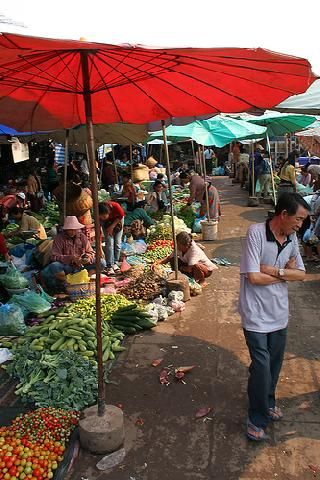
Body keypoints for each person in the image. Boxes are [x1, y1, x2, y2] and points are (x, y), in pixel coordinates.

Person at [239, 193, 309, 441]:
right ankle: (257, 417)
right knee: (261, 367)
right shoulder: (256, 233)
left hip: (279, 313)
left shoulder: (291, 239)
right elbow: (253, 277)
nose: (300, 225)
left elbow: (301, 274)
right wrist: (284, 274)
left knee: (273, 366)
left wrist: (272, 270)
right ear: (284, 214)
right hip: (255, 314)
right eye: (298, 219)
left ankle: (267, 401)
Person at [41, 216, 98, 292]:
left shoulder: (82, 237)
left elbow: (90, 252)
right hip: (67, 267)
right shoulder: (59, 238)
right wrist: (70, 258)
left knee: (101, 262)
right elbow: (54, 256)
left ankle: (86, 281)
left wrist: (87, 258)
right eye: (70, 230)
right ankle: (68, 285)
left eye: (74, 230)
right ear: (66, 229)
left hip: (82, 266)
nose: (73, 232)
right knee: (54, 266)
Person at [98, 201, 124, 275]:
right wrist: (100, 248)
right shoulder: (100, 218)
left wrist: (112, 227)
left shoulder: (116, 206)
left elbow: (121, 215)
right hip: (107, 224)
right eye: (101, 217)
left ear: (108, 212)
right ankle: (109, 265)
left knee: (118, 242)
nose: (103, 218)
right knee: (109, 243)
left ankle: (115, 262)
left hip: (118, 220)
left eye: (104, 216)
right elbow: (99, 232)